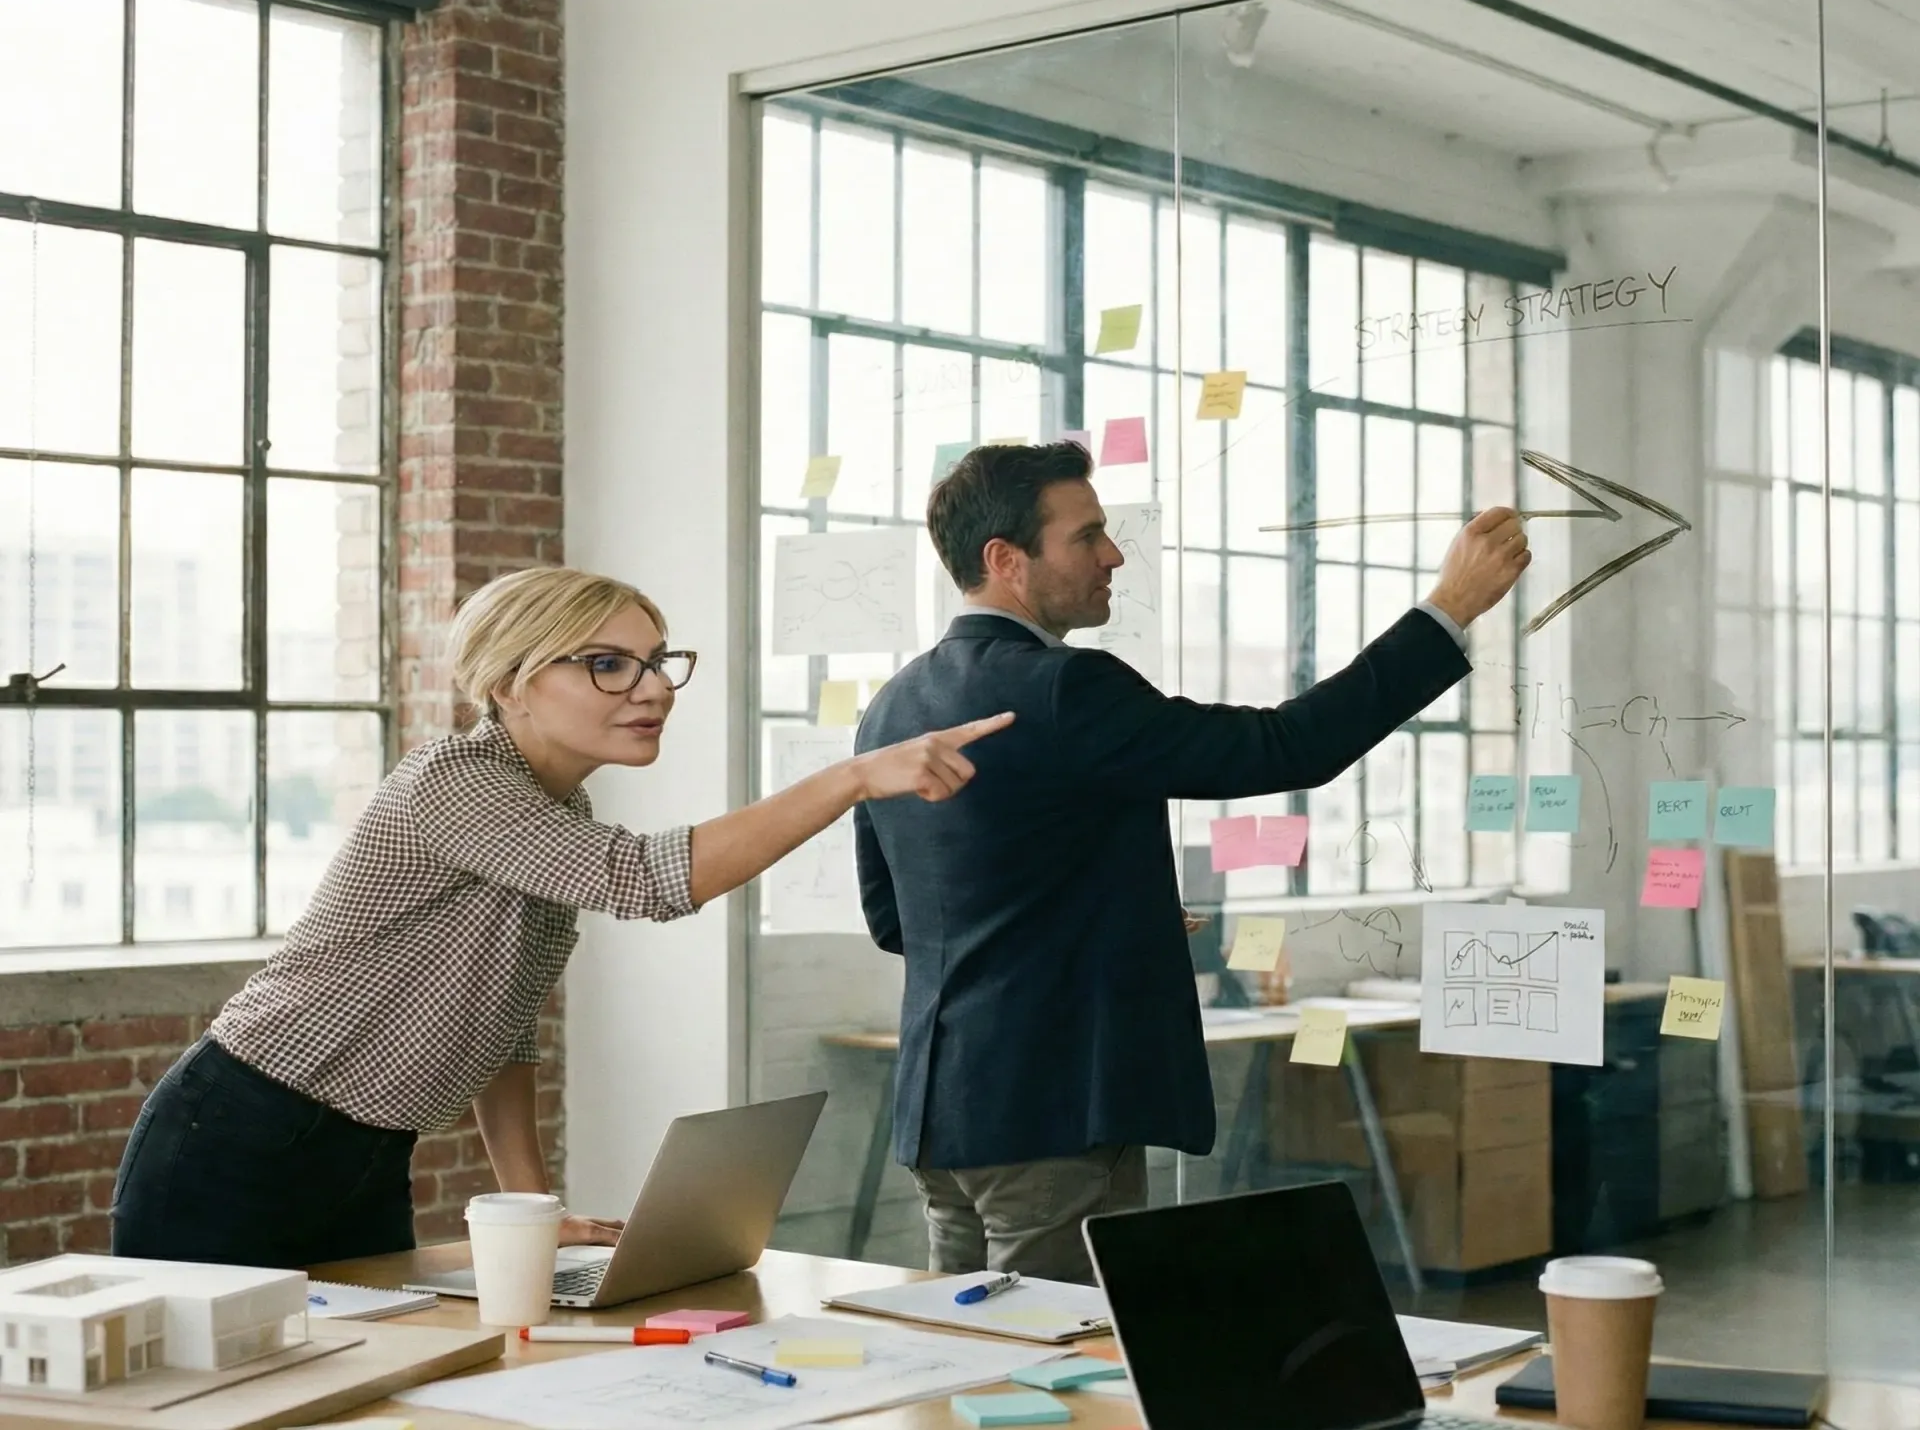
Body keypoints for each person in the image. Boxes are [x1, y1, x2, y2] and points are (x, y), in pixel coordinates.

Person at [111, 567, 1010, 1270]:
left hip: (365, 1150)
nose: (652, 687)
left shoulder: (556, 818)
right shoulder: (455, 784)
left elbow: (504, 1034)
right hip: (238, 1134)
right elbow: (651, 880)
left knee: (358, 1383)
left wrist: (533, 1213)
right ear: (509, 684)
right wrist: (853, 775)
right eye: (608, 664)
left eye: (659, 660)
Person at [853, 441, 1528, 1282]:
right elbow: (1288, 746)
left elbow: (900, 920)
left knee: (964, 1366)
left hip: (942, 1114)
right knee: (1051, 1378)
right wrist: (1448, 608)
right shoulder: (1066, 687)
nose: (1113, 554)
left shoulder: (890, 709)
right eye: (1087, 535)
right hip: (1053, 1113)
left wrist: (1110, 913)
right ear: (1005, 560)